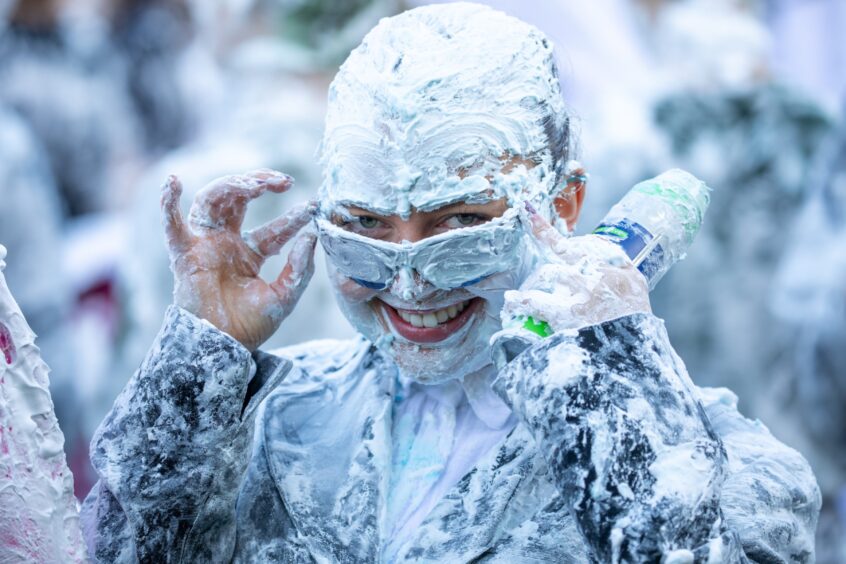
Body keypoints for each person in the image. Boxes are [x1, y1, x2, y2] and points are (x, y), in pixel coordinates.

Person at [80, 4, 820, 562]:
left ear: (564, 204)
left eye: (458, 223)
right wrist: (198, 361)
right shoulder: (271, 421)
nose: (408, 278)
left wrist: (608, 387)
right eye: (364, 224)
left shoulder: (707, 447)